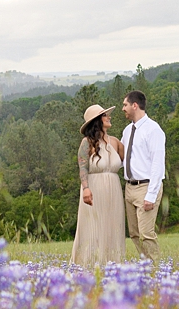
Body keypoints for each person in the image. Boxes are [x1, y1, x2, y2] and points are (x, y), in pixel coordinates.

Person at [70, 103, 126, 266]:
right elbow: (82, 167)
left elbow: (128, 160)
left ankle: (113, 264)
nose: (109, 117)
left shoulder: (115, 142)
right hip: (94, 188)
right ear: (97, 121)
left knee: (113, 226)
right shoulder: (86, 143)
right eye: (105, 115)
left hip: (113, 189)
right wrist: (86, 188)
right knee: (93, 227)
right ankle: (88, 264)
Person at [117, 89, 164, 262]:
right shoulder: (128, 131)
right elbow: (122, 158)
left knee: (146, 232)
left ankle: (157, 268)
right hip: (130, 187)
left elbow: (158, 165)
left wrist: (151, 195)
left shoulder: (153, 130)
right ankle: (146, 265)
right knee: (134, 233)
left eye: (125, 105)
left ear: (134, 105)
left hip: (146, 186)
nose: (123, 108)